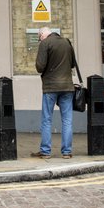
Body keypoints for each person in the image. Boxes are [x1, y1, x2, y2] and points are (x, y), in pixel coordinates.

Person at [33, 28, 75, 159]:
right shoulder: (67, 42)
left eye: (39, 38)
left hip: (50, 86)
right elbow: (73, 64)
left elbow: (40, 66)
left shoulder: (45, 44)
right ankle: (67, 152)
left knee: (47, 120)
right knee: (67, 120)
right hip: (67, 86)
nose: (40, 40)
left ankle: (45, 151)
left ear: (42, 36)